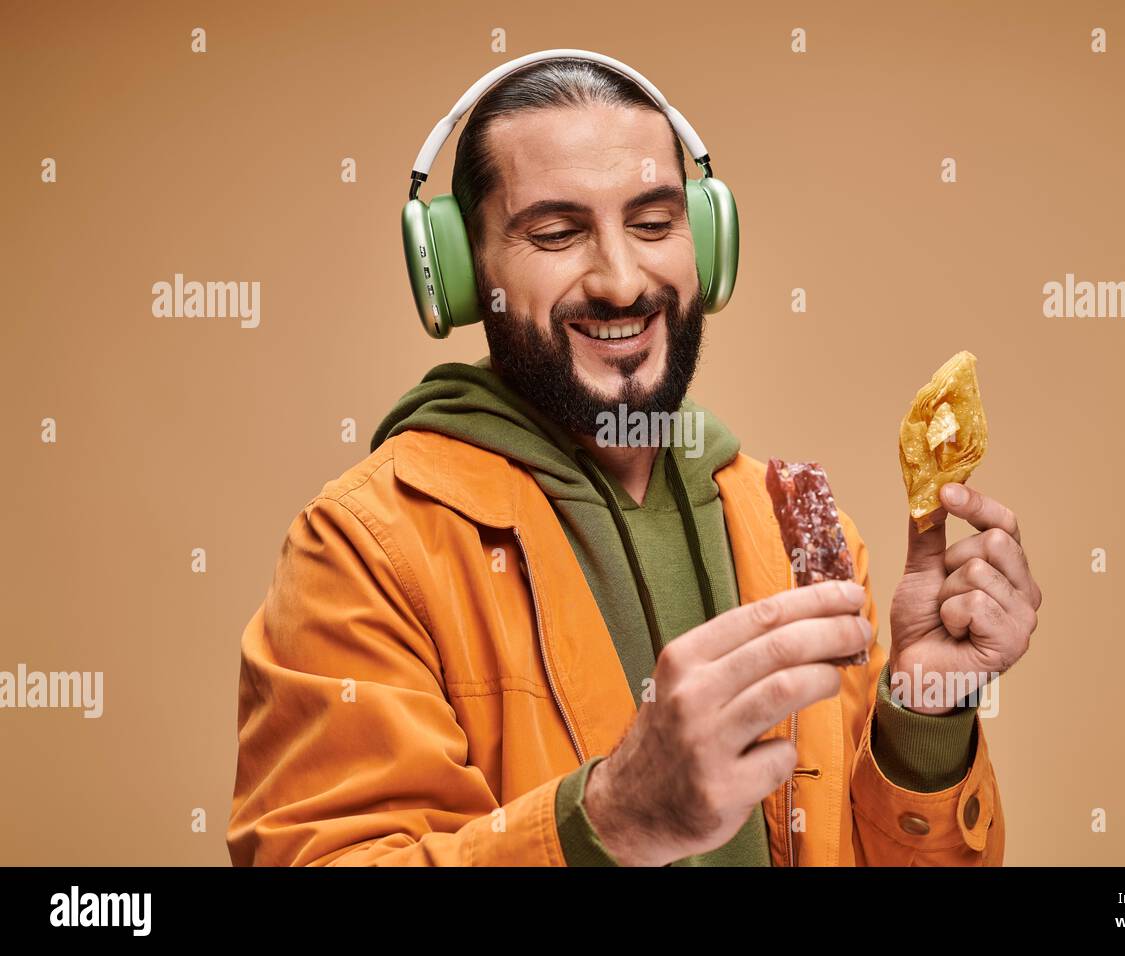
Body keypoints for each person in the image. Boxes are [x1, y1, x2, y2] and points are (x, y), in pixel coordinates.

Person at [226, 54, 1041, 867]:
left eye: (653, 224)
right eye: (555, 234)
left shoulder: (796, 530)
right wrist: (606, 821)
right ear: (465, 277)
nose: (621, 281)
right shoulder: (366, 551)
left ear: (709, 245)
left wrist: (928, 708)